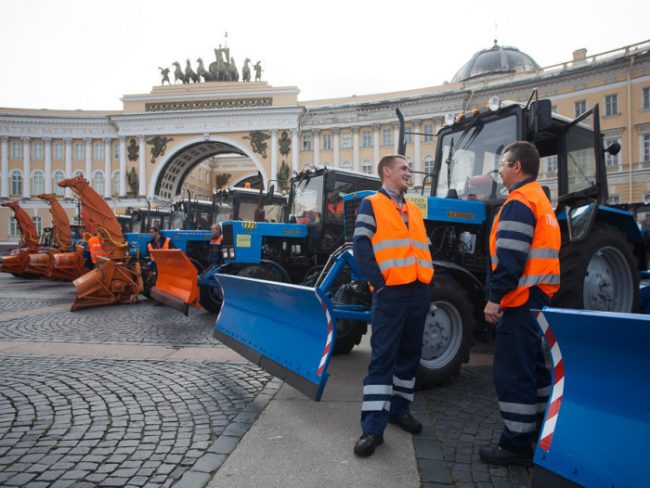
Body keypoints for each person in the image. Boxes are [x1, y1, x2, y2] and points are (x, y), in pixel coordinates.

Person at [480, 141, 561, 467]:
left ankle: (516, 444)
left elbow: (511, 260)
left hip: (519, 299)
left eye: (503, 163)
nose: (499, 169)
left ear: (517, 167)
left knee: (514, 373)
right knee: (535, 369)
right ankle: (538, 430)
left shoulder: (518, 202)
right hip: (537, 297)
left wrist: (494, 299)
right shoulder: (541, 200)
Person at [352, 154, 434, 458]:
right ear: (386, 172)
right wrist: (380, 285)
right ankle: (372, 429)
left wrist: (428, 282)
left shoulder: (413, 208)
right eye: (403, 169)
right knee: (383, 359)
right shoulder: (371, 204)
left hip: (418, 292)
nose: (408, 173)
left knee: (409, 356)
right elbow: (361, 245)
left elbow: (422, 247)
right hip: (391, 294)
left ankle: (400, 411)